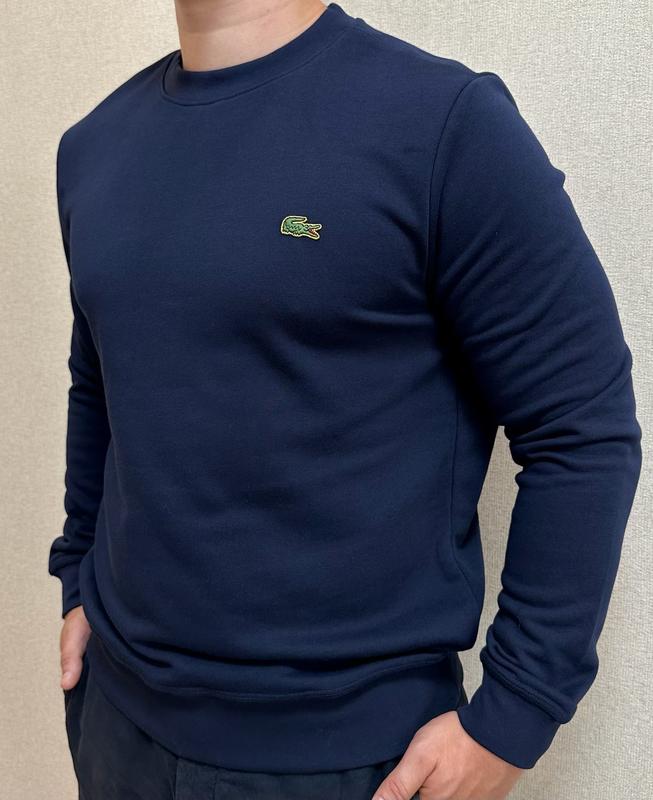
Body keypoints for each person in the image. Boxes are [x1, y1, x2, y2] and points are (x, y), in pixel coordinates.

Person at [48, 2, 642, 798]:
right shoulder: (93, 145)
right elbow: (101, 381)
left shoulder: (440, 125)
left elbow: (580, 426)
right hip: (116, 724)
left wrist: (513, 714)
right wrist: (76, 577)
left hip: (346, 760)